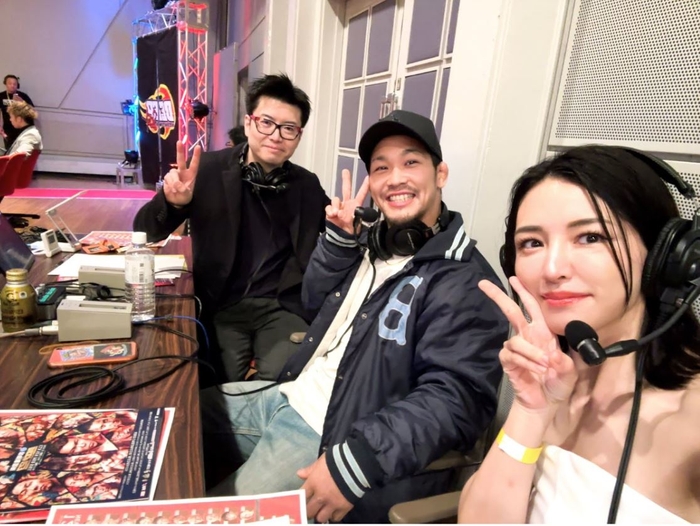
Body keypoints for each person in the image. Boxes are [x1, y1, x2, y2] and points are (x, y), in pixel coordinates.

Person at [201, 110, 508, 523]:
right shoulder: (372, 242)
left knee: (204, 517)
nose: (394, 178)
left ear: (441, 174)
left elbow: (456, 399)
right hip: (288, 394)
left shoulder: (465, 281)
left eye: (410, 162)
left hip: (332, 436)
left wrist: (361, 458)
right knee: (169, 421)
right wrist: (338, 243)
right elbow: (312, 302)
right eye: (381, 168)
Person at [458, 145, 700, 524]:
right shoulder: (549, 380)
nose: (552, 269)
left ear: (663, 256)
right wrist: (531, 412)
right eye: (532, 243)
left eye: (590, 237)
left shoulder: (691, 415)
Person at [134, 74, 330, 384]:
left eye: (288, 128)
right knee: (211, 381)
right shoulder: (207, 170)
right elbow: (144, 231)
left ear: (298, 135)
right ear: (249, 123)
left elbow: (335, 224)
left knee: (284, 380)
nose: (276, 136)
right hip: (220, 303)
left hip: (281, 306)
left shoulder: (307, 185)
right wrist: (173, 204)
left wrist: (355, 225)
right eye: (267, 123)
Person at [1, 75, 34, 153]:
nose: (12, 86)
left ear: (17, 85)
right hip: (8, 128)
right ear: (5, 84)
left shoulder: (23, 96)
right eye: (10, 83)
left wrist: (22, 102)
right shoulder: (1, 96)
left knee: (23, 150)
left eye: (14, 84)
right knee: (10, 150)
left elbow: (32, 111)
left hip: (23, 128)